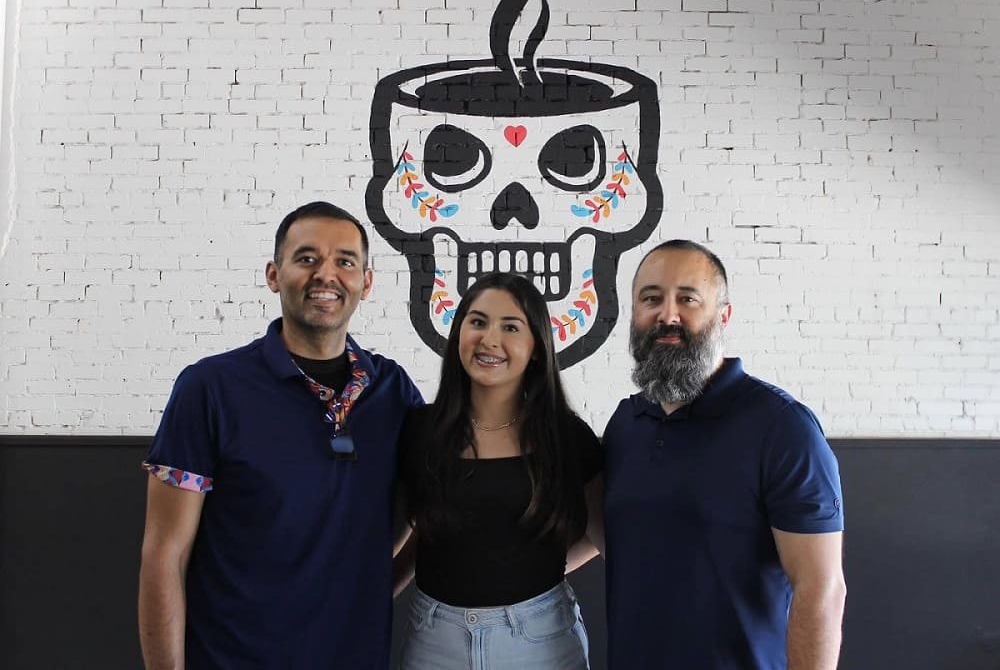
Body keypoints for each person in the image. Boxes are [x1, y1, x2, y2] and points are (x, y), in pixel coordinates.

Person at [138, 202, 424, 670]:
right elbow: (165, 554)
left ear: (366, 283)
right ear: (274, 275)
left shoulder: (394, 392)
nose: (325, 275)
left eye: (345, 262)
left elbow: (430, 511)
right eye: (306, 258)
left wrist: (370, 587)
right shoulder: (210, 389)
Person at [602, 239, 846, 670]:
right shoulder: (624, 424)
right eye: (651, 299)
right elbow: (601, 536)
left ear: (723, 316)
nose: (668, 315)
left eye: (688, 299)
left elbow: (821, 590)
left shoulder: (782, 427)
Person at [394, 271, 603, 670]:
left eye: (510, 326)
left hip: (541, 640)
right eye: (477, 322)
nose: (489, 339)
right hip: (435, 640)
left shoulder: (565, 435)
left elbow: (603, 535)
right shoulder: (420, 431)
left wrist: (537, 573)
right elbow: (399, 541)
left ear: (536, 347)